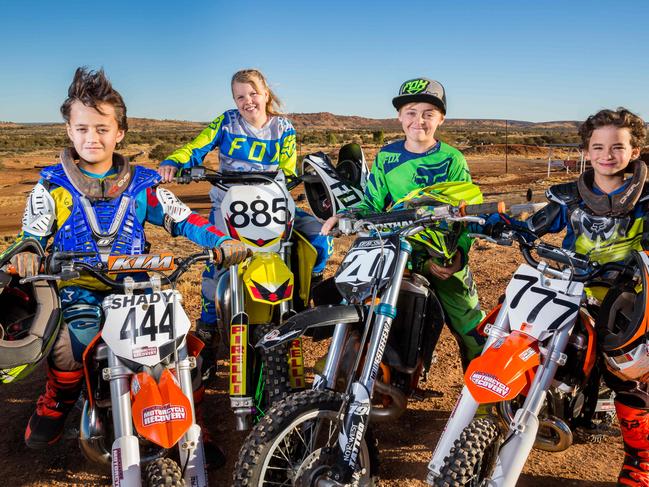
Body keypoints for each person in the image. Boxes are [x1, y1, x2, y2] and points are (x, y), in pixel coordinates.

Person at [7, 67, 247, 467]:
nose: (92, 138)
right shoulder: (51, 186)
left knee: (182, 349)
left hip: (137, 287)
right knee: (71, 347)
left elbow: (184, 218)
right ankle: (60, 398)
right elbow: (31, 233)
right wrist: (25, 253)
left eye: (102, 129)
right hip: (76, 287)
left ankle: (192, 424)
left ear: (120, 133)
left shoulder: (140, 184)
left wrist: (221, 241)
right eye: (82, 128)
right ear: (69, 130)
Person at [489, 107, 649, 486]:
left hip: (627, 293)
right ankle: (495, 414)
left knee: (630, 370)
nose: (607, 154)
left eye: (617, 146)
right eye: (598, 146)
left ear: (635, 151)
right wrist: (497, 224)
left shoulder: (645, 201)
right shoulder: (570, 198)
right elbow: (534, 225)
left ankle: (640, 458)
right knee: (510, 325)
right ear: (587, 151)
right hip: (569, 287)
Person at [158, 69, 332, 369]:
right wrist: (176, 161)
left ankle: (312, 287)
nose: (247, 101)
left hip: (273, 200)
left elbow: (288, 169)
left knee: (318, 235)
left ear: (265, 94)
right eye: (240, 96)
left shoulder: (283, 128)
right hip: (229, 201)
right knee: (218, 259)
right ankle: (209, 328)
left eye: (253, 94)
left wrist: (294, 177)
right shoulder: (226, 122)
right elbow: (197, 147)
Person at [321, 77, 486, 364]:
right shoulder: (387, 158)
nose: (418, 120)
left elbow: (467, 213)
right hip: (396, 251)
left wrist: (458, 255)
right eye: (410, 112)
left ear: (441, 118)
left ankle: (482, 401)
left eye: (428, 113)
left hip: (442, 254)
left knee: (470, 325)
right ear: (399, 116)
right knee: (368, 307)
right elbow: (371, 202)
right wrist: (345, 216)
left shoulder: (453, 160)